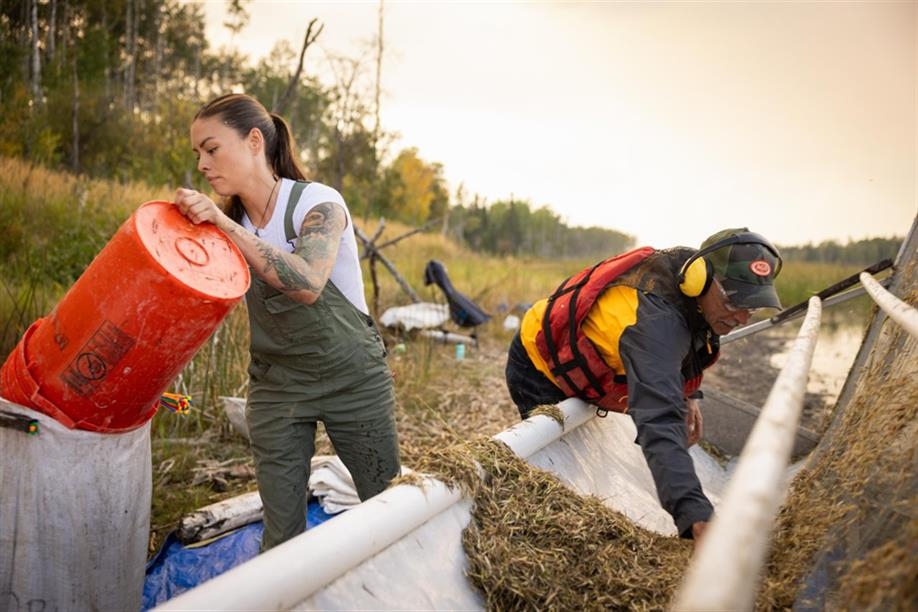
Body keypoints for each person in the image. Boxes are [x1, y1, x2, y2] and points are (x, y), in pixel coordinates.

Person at [173, 93, 400, 551]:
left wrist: (223, 224)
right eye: (197, 153)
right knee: (280, 537)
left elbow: (308, 281)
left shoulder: (316, 203)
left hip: (351, 377)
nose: (202, 165)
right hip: (278, 385)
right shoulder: (226, 223)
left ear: (254, 141)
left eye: (211, 149)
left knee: (388, 509)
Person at [504, 228, 783, 546]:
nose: (742, 318)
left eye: (752, 307)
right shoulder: (656, 325)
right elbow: (658, 420)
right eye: (734, 301)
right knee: (556, 474)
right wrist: (695, 514)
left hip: (596, 355)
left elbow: (690, 341)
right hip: (540, 363)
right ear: (699, 278)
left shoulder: (693, 292)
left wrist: (689, 395)